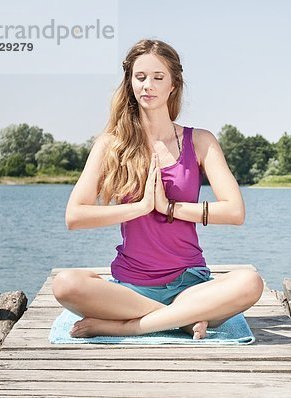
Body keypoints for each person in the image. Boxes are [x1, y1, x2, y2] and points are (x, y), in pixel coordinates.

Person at [52, 39, 264, 340]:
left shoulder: (200, 141)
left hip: (190, 285)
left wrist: (170, 208)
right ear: (130, 83)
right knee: (65, 284)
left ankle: (128, 326)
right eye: (140, 77)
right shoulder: (110, 144)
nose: (147, 85)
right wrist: (140, 207)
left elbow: (234, 211)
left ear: (173, 85)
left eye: (158, 77)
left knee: (250, 282)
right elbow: (75, 216)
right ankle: (180, 319)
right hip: (130, 288)